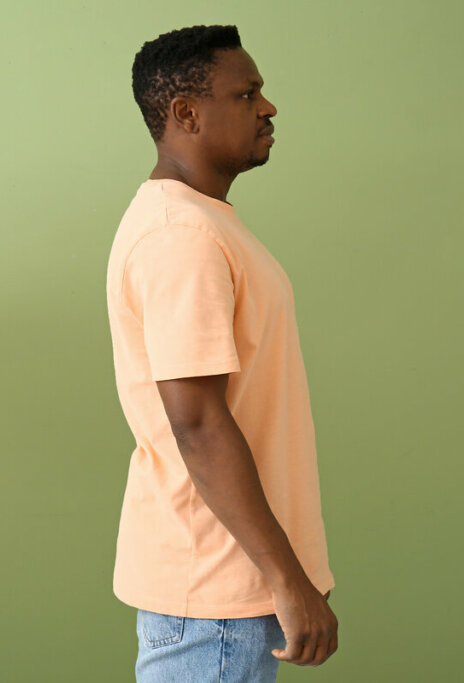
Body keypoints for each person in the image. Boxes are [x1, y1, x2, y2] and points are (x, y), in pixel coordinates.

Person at [106, 26, 337, 682]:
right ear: (186, 113)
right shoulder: (180, 235)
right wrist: (287, 577)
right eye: (247, 94)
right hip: (215, 591)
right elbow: (199, 423)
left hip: (226, 586)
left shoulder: (202, 222)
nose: (268, 107)